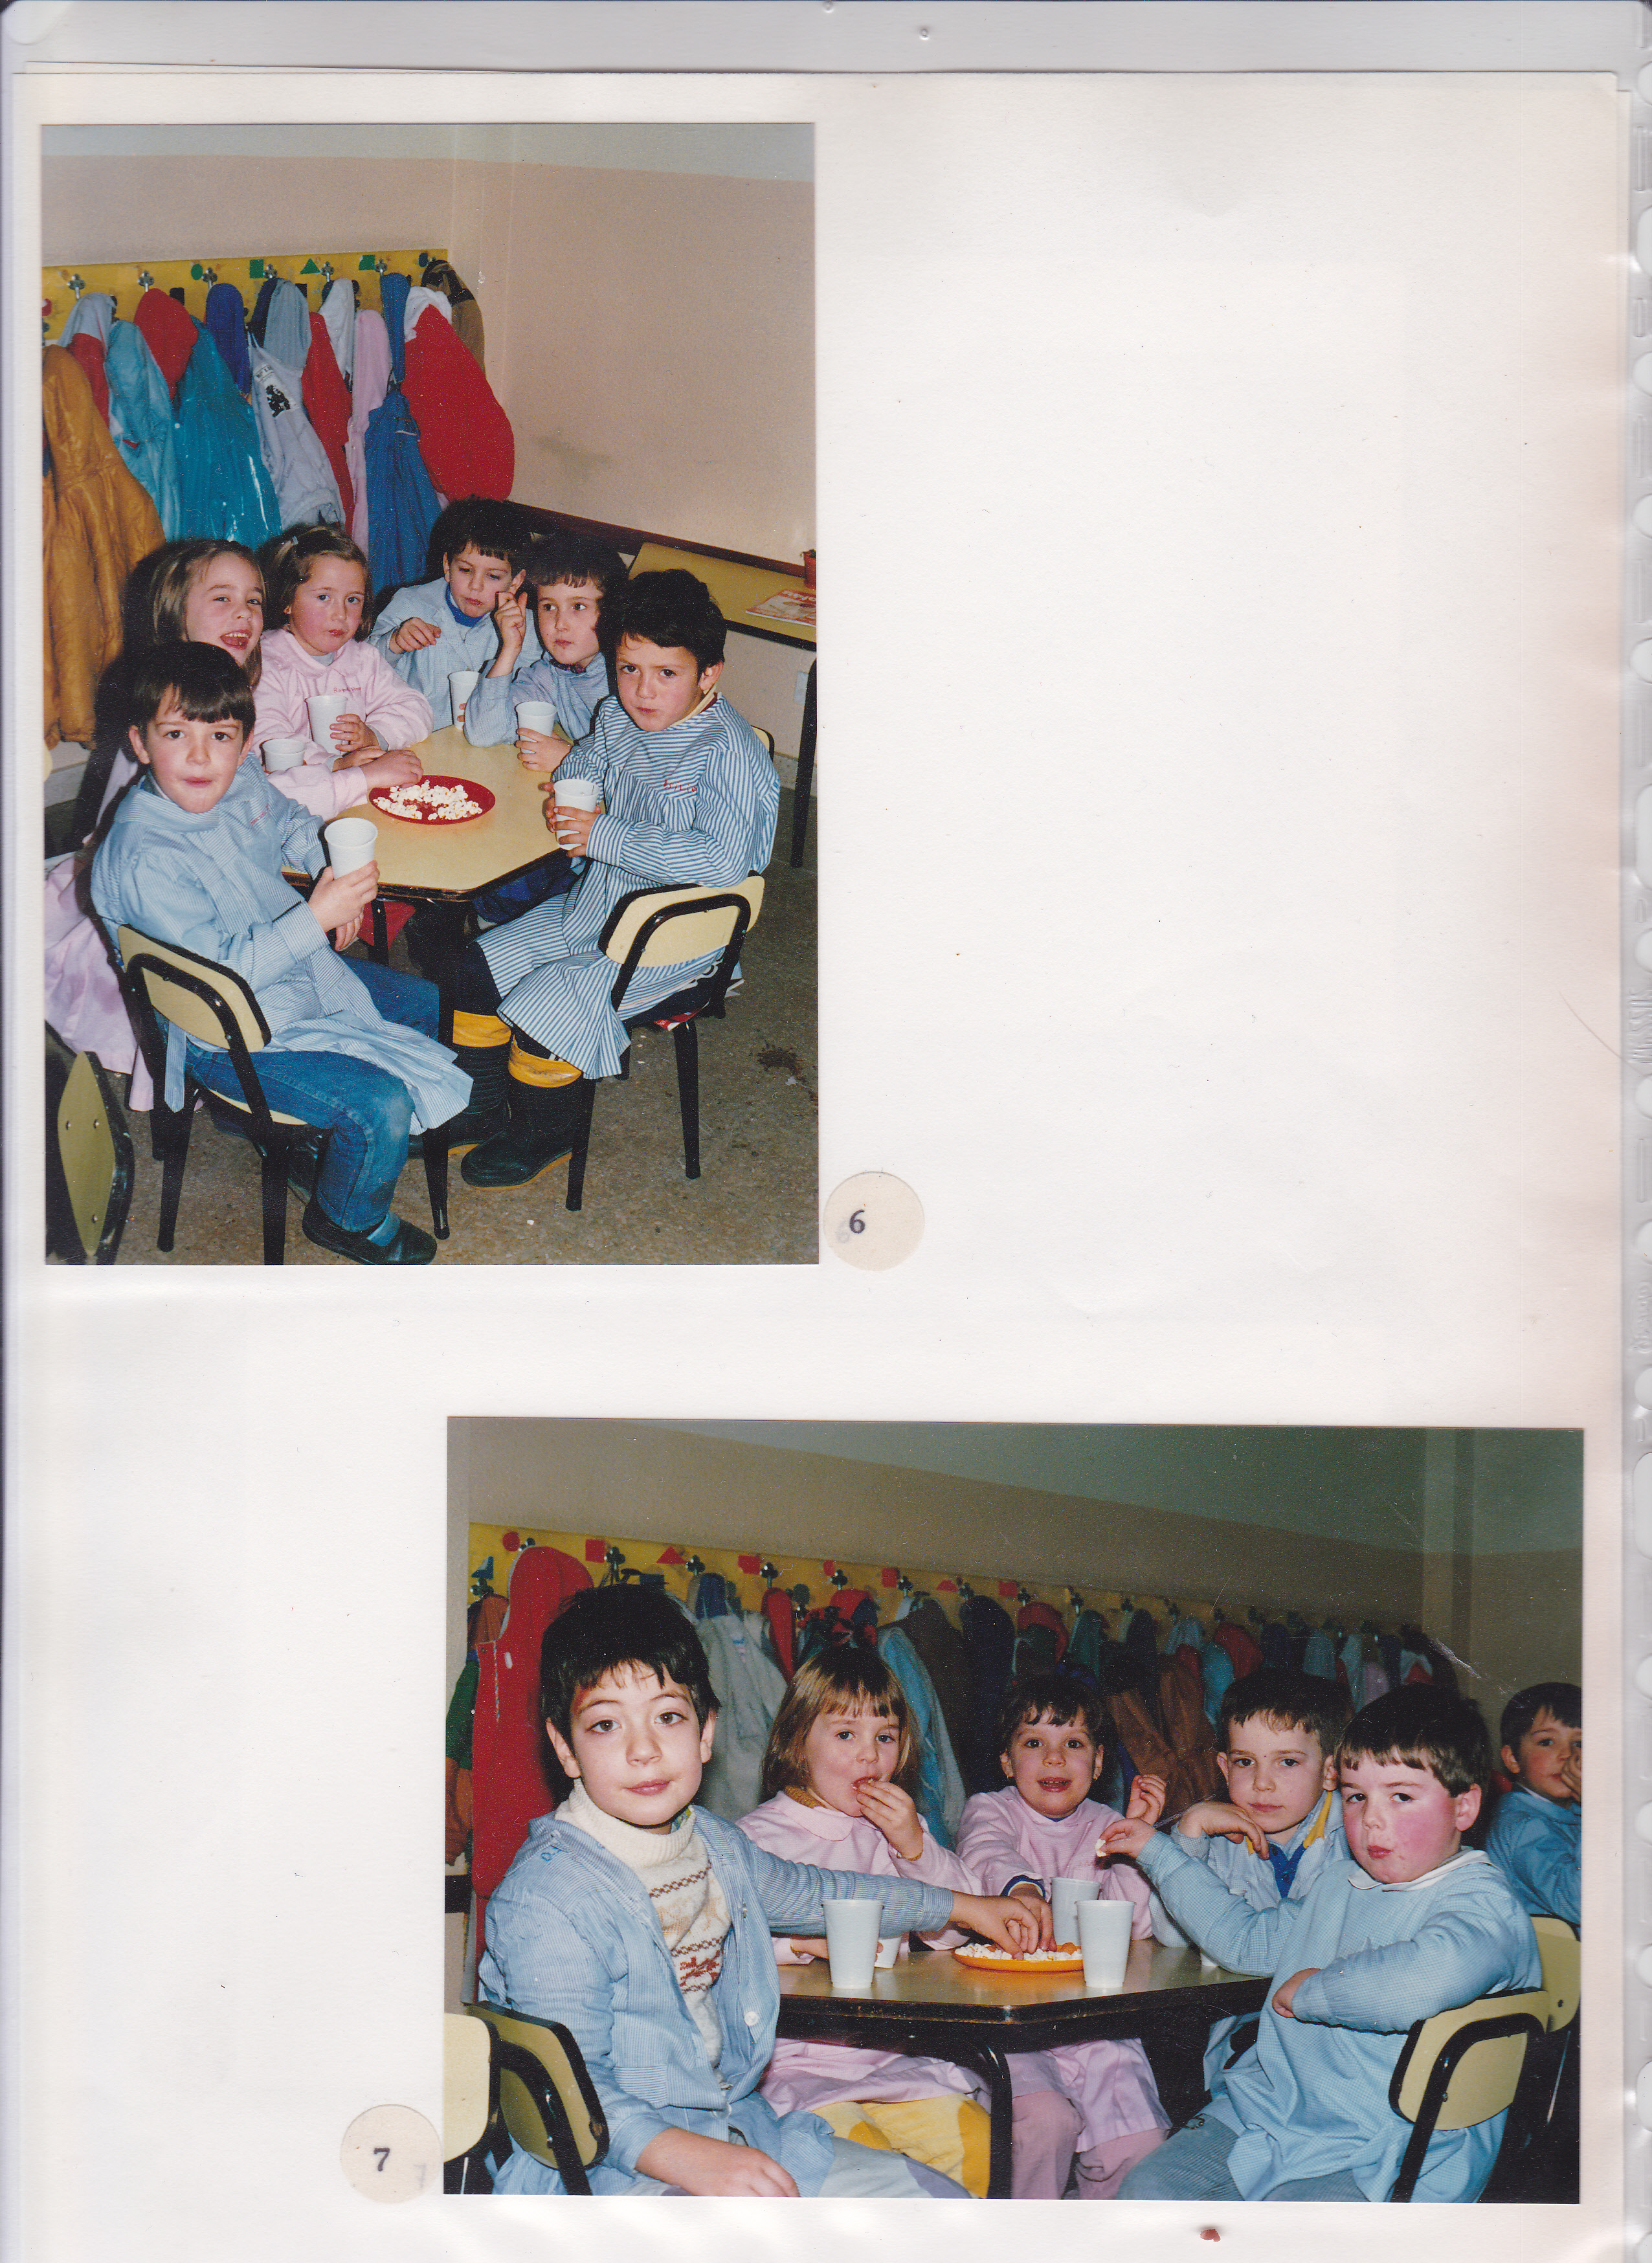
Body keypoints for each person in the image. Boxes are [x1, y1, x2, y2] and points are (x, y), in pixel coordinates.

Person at [476, 1586, 1044, 2198]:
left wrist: (965, 1906)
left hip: (736, 2128)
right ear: (566, 1747)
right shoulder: (548, 1895)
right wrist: (692, 2158)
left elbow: (828, 1893)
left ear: (706, 1733)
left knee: (941, 2205)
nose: (644, 1751)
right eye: (607, 1725)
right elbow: (572, 2087)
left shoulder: (717, 1846)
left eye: (668, 1717)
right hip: (607, 2167)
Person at [90, 641, 469, 1265]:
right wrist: (315, 917)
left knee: (427, 1005)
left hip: (287, 967)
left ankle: (340, 1144)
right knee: (379, 1104)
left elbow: (290, 820)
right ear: (140, 743)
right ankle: (345, 1219)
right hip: (221, 1030)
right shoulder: (145, 855)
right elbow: (220, 977)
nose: (200, 756)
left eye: (220, 736)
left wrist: (328, 872)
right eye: (176, 734)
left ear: (246, 744)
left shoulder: (239, 778)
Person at [1100, 1684, 1543, 2202]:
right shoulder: (1342, 1882)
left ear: (1465, 1807)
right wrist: (1160, 1853)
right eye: (1356, 1796)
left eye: (1401, 1796)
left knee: (1289, 2232)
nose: (1372, 1818)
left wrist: (1315, 1991)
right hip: (1277, 2112)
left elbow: (1423, 1979)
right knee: (1147, 2190)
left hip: (1395, 2144)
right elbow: (1246, 1942)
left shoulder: (1483, 1902)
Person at [443, 569, 778, 1183]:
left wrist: (602, 834)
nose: (643, 691)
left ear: (709, 674)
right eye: (628, 669)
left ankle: (548, 1131)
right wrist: (572, 791)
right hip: (599, 906)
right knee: (476, 968)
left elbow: (722, 862)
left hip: (675, 938)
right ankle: (481, 1108)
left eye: (666, 674)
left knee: (547, 1001)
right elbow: (590, 758)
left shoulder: (725, 751)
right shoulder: (619, 716)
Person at [737, 1652, 1076, 2198]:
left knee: (986, 2154)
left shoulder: (895, 1830)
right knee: (879, 2180)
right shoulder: (756, 1838)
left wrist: (914, 1847)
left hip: (897, 2065)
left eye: (886, 1737)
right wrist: (800, 1944)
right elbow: (722, 1939)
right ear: (798, 1742)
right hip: (795, 2072)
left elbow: (954, 1933)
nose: (869, 1755)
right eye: (845, 1735)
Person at [46, 539, 270, 1100]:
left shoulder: (234, 688)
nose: (243, 613)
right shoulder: (157, 716)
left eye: (254, 600)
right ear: (175, 614)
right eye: (222, 599)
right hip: (151, 888)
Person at [956, 1673, 1170, 2196]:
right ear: (1007, 1763)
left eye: (1073, 1744)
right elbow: (987, 1850)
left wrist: (1136, 1845)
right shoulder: (991, 1809)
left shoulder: (1106, 1822)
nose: (1054, 1759)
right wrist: (1022, 1892)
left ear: (1098, 1764)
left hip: (1093, 2025)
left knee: (1139, 2143)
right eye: (1034, 1744)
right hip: (1009, 2023)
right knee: (1044, 2125)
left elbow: (1136, 1925)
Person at [1147, 1667, 1350, 2109]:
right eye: (1245, 1762)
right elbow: (1169, 1935)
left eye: (1288, 1762)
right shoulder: (1220, 1837)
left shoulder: (1355, 1842)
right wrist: (1190, 1834)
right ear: (1224, 1767)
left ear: (1331, 1770)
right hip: (1246, 2054)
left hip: (1331, 2053)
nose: (1262, 1783)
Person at [252, 524, 428, 819]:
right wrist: (334, 764)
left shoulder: (362, 657)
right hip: (297, 810)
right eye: (324, 597)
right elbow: (270, 740)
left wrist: (375, 735)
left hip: (361, 800)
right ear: (287, 600)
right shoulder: (265, 661)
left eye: (352, 599)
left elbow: (416, 707)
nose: (341, 614)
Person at [368, 494, 530, 729]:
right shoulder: (410, 604)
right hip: (412, 737)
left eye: (493, 576)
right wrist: (394, 643)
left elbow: (532, 695)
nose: (476, 586)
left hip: (488, 740)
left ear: (515, 582)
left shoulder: (524, 626)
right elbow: (360, 672)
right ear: (447, 566)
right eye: (465, 570)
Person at [462, 529, 627, 753]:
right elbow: (484, 733)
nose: (560, 624)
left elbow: (650, 763)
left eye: (578, 606)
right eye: (549, 607)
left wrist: (569, 757)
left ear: (612, 610)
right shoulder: (551, 674)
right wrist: (509, 650)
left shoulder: (628, 675)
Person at [1485, 1682, 1580, 1925]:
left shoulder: (1574, 1810)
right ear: (1513, 1759)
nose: (1568, 1754)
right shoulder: (1521, 1826)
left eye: (1580, 1743)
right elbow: (1583, 1902)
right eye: (1547, 1742)